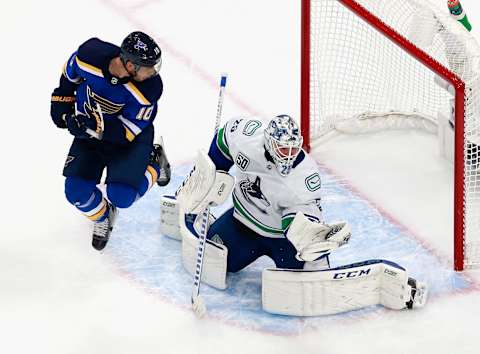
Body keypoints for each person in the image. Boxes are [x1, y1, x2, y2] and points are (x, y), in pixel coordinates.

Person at [164, 114, 427, 316]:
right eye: (283, 149)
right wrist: (212, 174)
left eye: (293, 149)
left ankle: (332, 264)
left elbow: (297, 221)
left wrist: (308, 237)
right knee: (219, 263)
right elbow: (223, 140)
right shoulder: (246, 136)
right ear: (268, 141)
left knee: (308, 282)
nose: (289, 155)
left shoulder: (304, 177)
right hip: (241, 223)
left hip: (282, 240)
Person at [50, 31, 171, 251]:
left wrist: (93, 127)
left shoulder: (149, 89)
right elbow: (68, 79)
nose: (153, 72)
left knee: (122, 197)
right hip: (90, 132)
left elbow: (128, 131)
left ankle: (154, 160)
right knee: (75, 191)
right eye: (148, 66)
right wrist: (65, 115)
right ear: (130, 65)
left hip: (130, 138)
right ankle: (103, 216)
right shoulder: (89, 56)